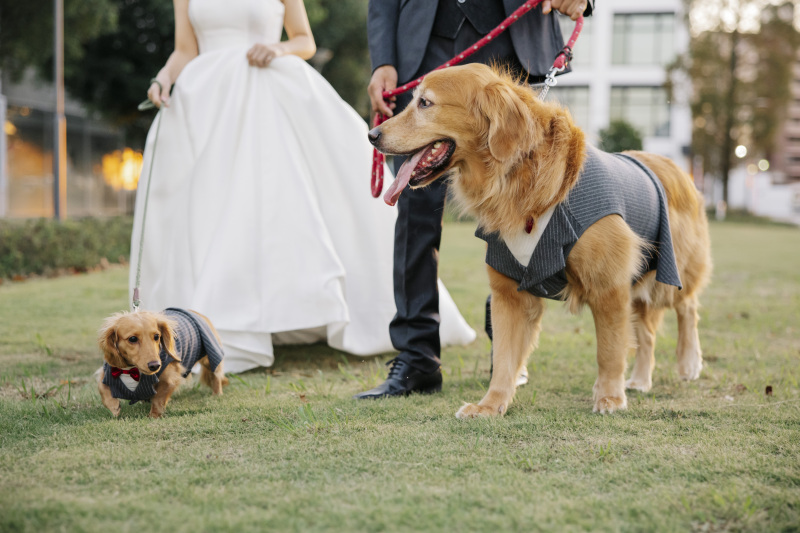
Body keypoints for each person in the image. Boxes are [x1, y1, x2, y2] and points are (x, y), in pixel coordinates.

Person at [130, 0, 476, 374]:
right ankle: (201, 324)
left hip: (266, 93)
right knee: (206, 208)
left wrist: (277, 48)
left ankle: (296, 312)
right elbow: (185, 50)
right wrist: (163, 78)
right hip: (206, 101)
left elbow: (304, 41)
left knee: (276, 202)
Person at [355, 0, 594, 399]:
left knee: (520, 203)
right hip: (422, 37)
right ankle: (416, 358)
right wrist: (383, 57)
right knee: (415, 211)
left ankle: (507, 359)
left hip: (513, 35)